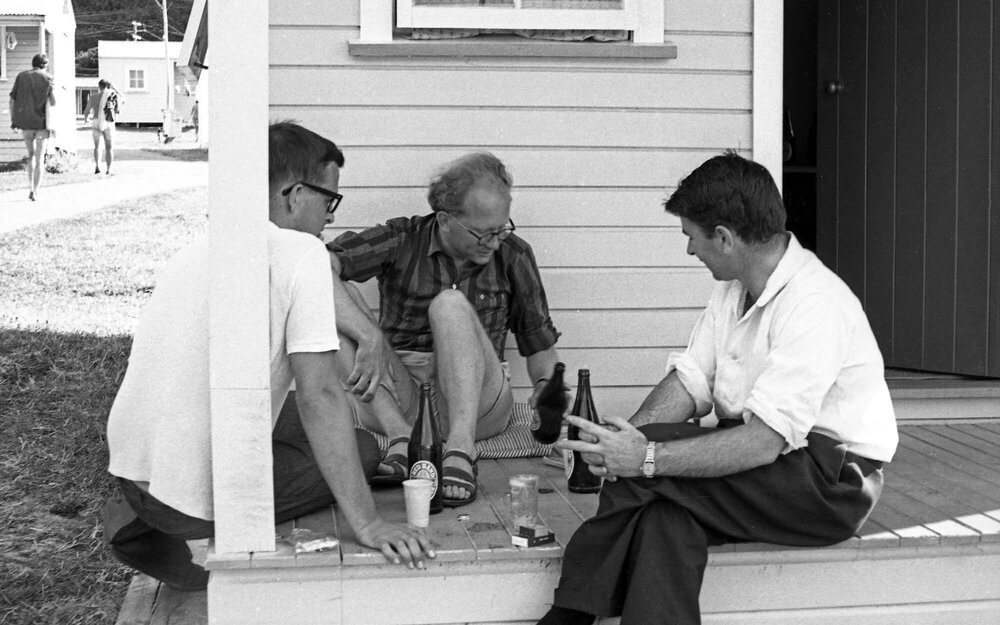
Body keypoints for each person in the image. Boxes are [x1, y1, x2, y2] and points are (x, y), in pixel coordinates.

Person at [538, 152, 898, 625]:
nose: (690, 251)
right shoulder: (734, 287)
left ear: (725, 238)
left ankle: (568, 616)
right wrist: (623, 439)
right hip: (768, 467)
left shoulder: (815, 303)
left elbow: (763, 442)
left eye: (691, 237)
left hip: (828, 481)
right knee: (667, 519)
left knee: (651, 468)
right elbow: (691, 380)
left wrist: (642, 456)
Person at [103, 121, 435, 592]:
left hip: (132, 469)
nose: (331, 216)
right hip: (180, 499)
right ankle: (197, 535)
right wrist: (370, 525)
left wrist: (369, 335)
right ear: (295, 194)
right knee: (360, 449)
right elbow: (318, 396)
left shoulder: (207, 246)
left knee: (303, 428)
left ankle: (149, 519)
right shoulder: (302, 252)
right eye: (329, 200)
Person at [327, 152, 561, 507]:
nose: (495, 242)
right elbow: (315, 264)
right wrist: (368, 336)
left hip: (477, 402)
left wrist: (546, 387)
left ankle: (460, 450)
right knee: (327, 291)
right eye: (483, 234)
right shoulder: (402, 237)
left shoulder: (514, 254)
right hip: (399, 395)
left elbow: (539, 342)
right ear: (445, 220)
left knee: (448, 304)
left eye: (502, 229)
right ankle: (401, 439)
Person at [8, 53, 55, 201]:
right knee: (40, 158)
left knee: (31, 156)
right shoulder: (48, 78)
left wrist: (14, 119)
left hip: (26, 124)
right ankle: (35, 191)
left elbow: (12, 99)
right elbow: (53, 102)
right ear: (45, 64)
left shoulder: (21, 76)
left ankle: (30, 187)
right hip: (41, 124)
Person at [83, 79, 122, 175]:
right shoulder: (111, 96)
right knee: (109, 147)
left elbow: (86, 110)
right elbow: (117, 110)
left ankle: (97, 166)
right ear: (108, 86)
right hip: (108, 122)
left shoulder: (93, 97)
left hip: (96, 121)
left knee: (97, 146)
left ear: (99, 86)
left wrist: (86, 118)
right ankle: (109, 169)